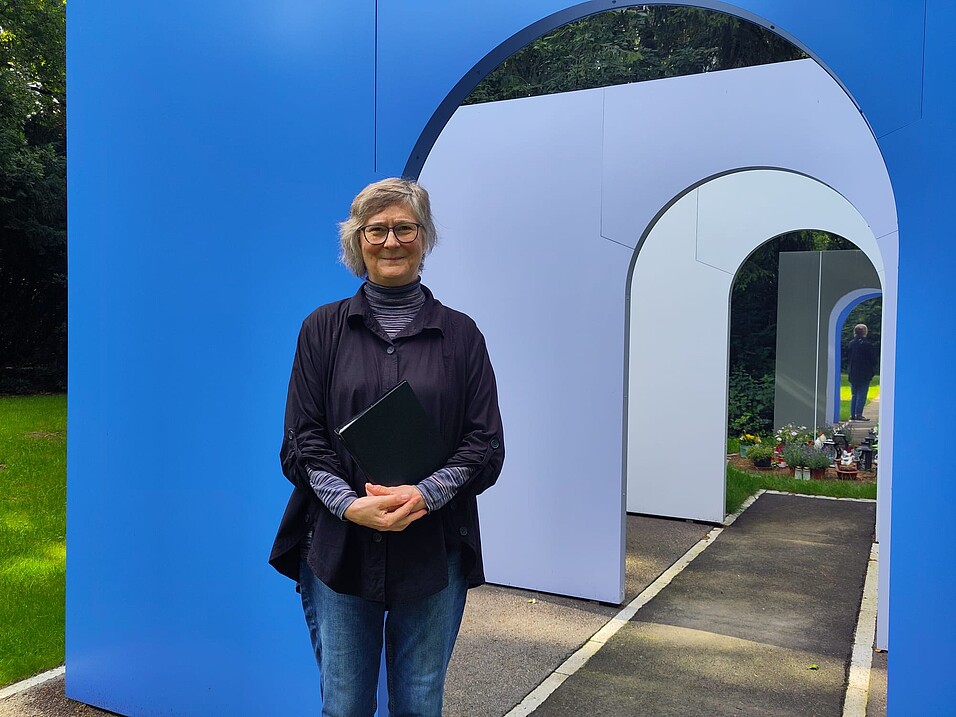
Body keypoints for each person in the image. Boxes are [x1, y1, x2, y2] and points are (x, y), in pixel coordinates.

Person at [269, 177, 505, 717]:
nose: (391, 241)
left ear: (425, 237)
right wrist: (351, 505)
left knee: (420, 703)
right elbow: (302, 439)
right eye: (376, 230)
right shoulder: (322, 329)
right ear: (358, 241)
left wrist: (423, 495)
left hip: (433, 547)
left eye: (405, 228)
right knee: (345, 704)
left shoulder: (461, 335)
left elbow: (485, 443)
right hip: (341, 546)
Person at [846, 323, 877, 421]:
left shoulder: (851, 344)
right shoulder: (867, 345)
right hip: (864, 372)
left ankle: (853, 414)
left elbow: (848, 357)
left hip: (853, 372)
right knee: (862, 395)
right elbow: (873, 360)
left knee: (854, 394)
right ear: (865, 332)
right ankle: (858, 414)